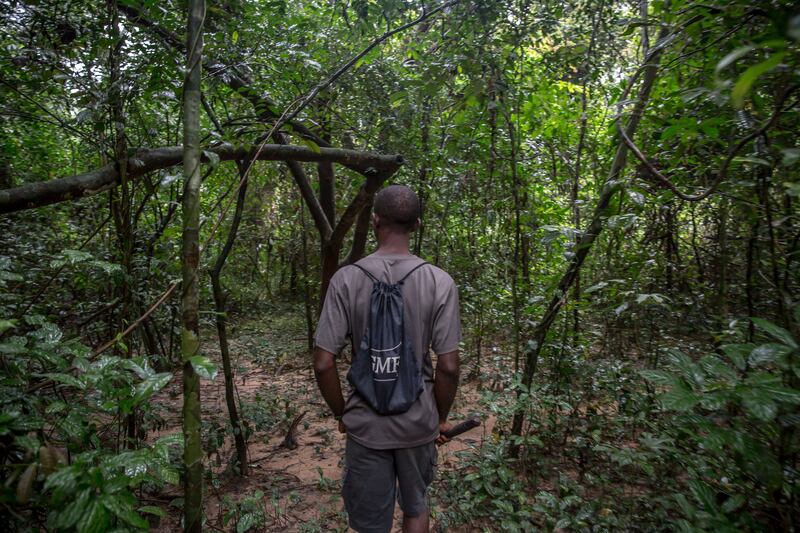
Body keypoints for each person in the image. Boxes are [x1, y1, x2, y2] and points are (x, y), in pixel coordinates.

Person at [313, 184, 461, 533]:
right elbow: (449, 367)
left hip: (366, 426)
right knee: (415, 509)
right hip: (418, 423)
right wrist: (439, 419)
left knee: (368, 525)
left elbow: (323, 363)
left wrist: (342, 413)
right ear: (418, 225)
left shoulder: (345, 279)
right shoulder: (440, 282)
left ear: (376, 221)